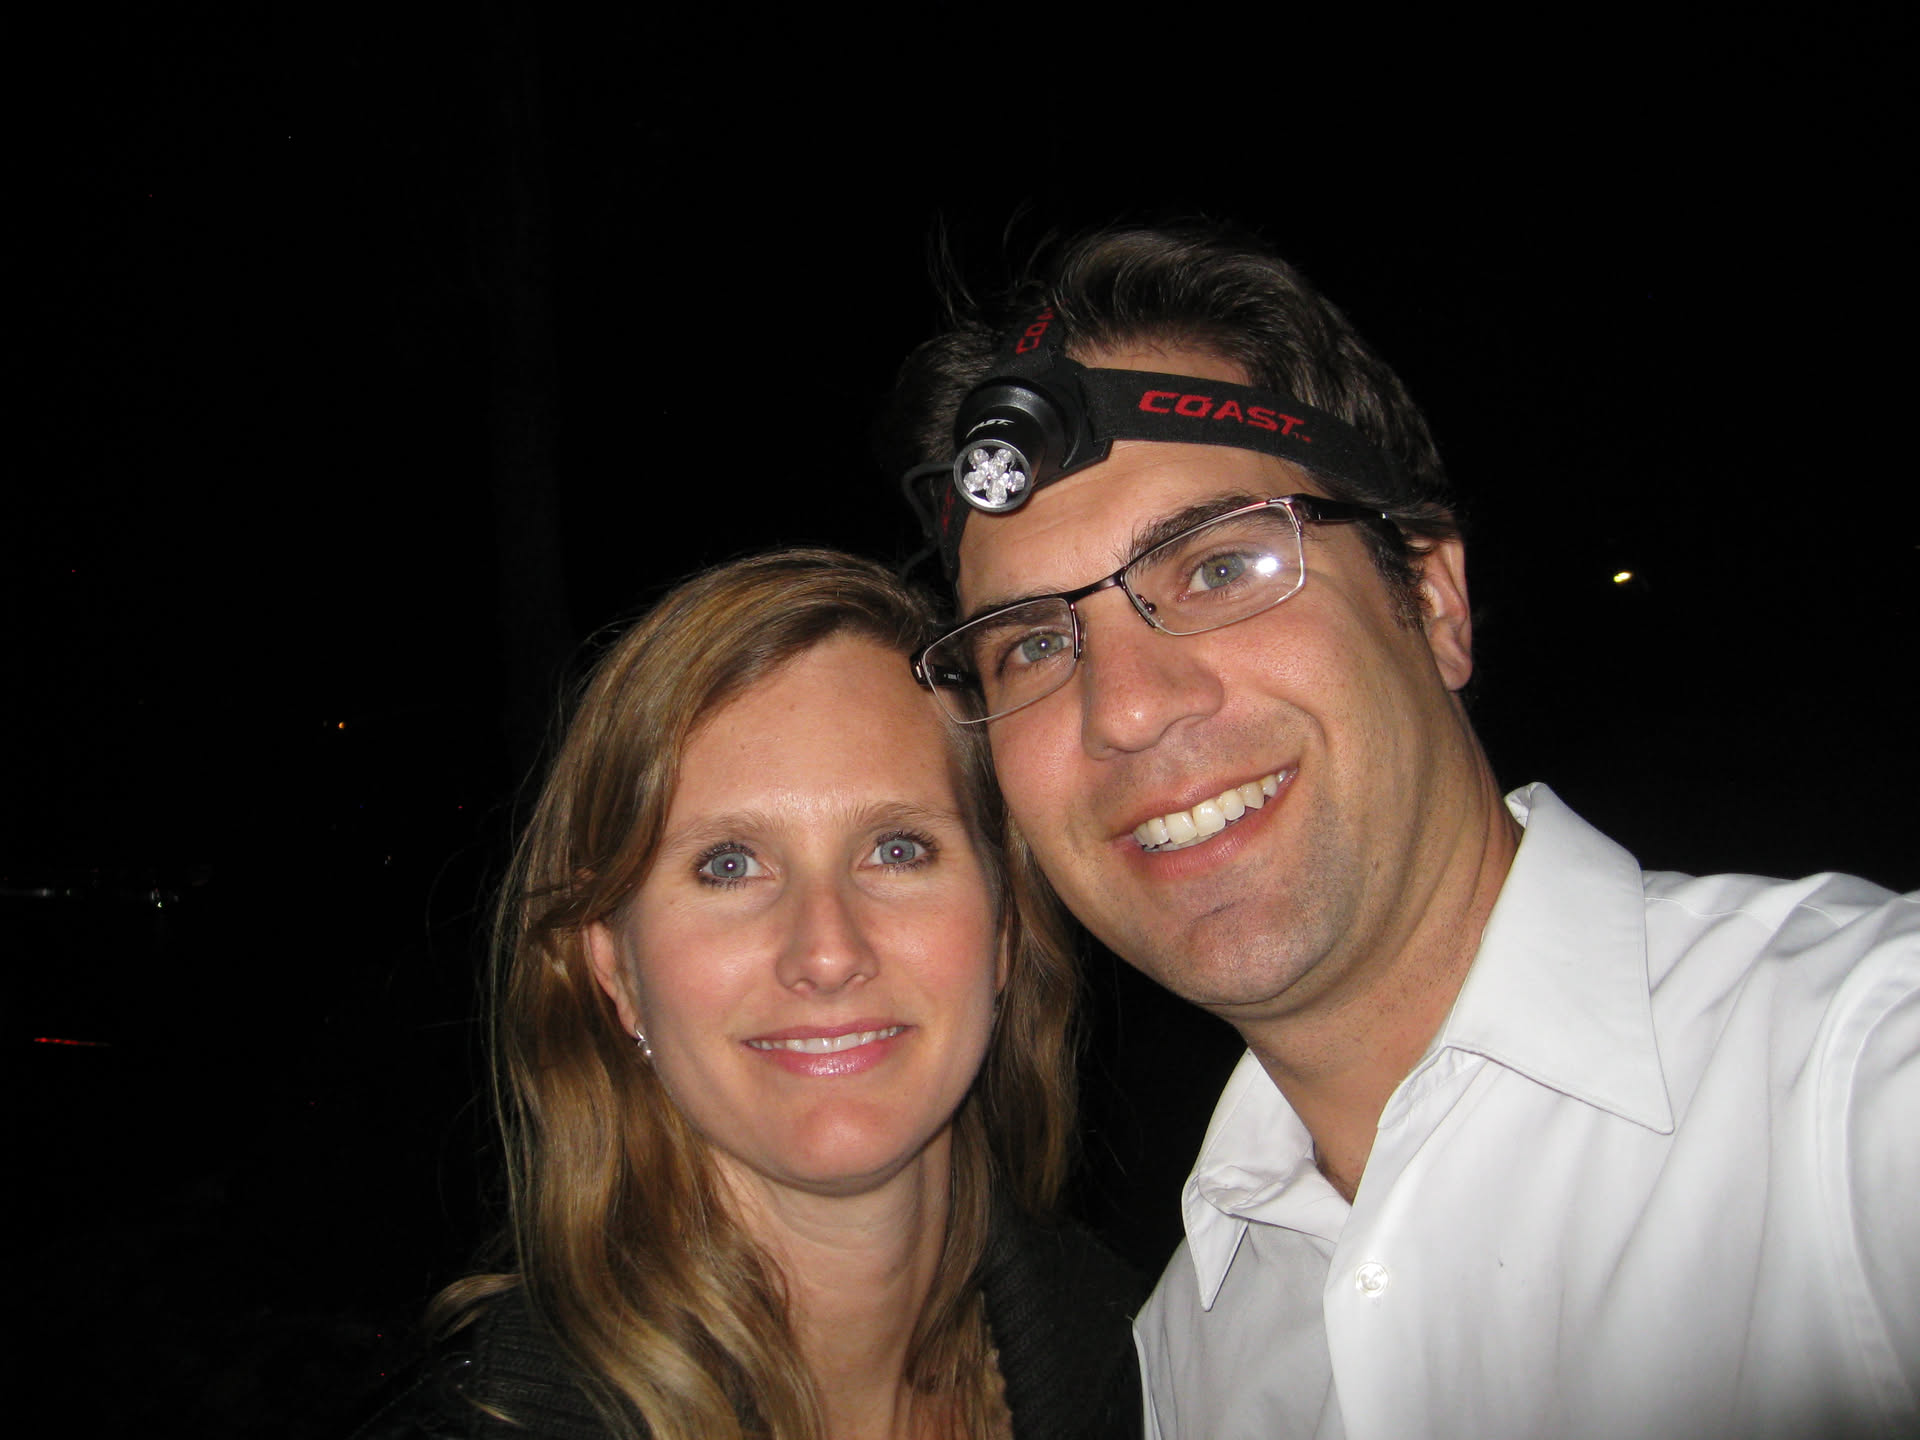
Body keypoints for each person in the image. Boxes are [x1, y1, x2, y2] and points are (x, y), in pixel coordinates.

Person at [886, 227, 1920, 1439]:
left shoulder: (1852, 1080)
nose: (1124, 710)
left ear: (1431, 600)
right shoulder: (1178, 1360)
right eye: (1033, 643)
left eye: (1217, 567)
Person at [354, 550, 1145, 1440]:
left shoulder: (1148, 1359)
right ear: (615, 969)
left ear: (1002, 929)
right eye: (729, 865)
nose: (828, 952)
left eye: (896, 850)